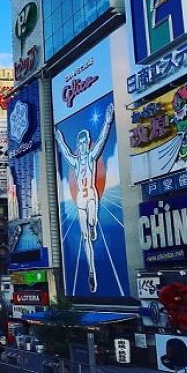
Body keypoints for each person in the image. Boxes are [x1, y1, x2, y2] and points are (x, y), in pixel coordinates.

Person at [54, 103, 114, 293]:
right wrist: (60, 139)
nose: (82, 146)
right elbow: (64, 151)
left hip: (91, 196)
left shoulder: (91, 157)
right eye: (79, 144)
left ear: (88, 143)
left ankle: (94, 224)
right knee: (85, 236)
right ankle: (91, 271)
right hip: (80, 198)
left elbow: (104, 138)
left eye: (84, 143)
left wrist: (107, 121)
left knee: (92, 221)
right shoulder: (75, 160)